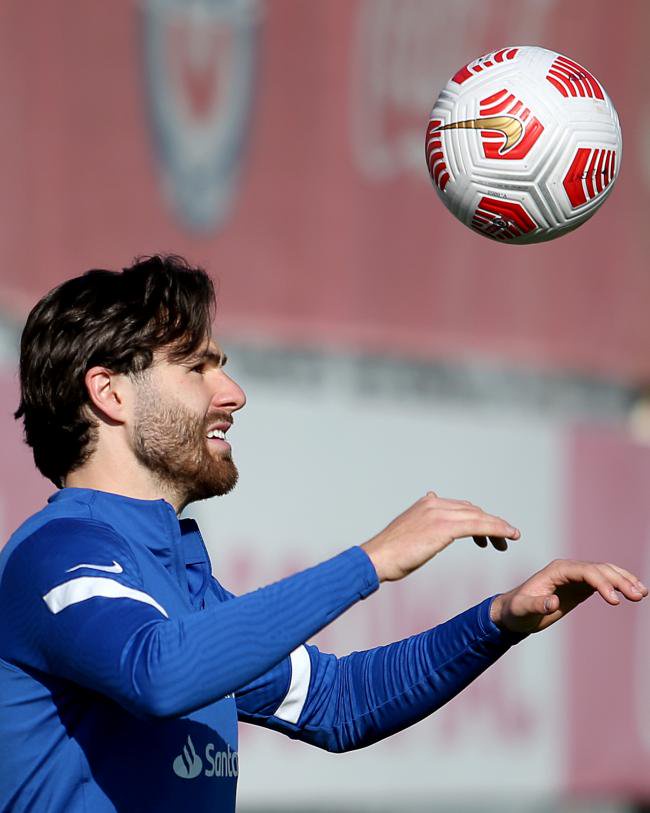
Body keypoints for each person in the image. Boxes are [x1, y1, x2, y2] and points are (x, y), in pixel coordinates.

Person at [0, 255, 645, 813]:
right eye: (198, 368)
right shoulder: (56, 553)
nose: (234, 393)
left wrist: (498, 621)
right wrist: (371, 560)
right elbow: (160, 673)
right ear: (110, 393)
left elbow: (339, 702)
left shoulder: (180, 578)